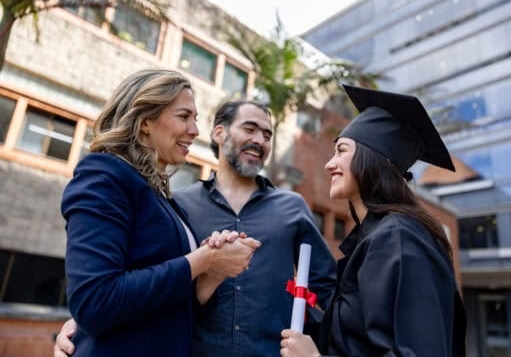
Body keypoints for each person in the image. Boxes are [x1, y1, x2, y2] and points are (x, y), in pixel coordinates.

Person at [54, 100, 336, 357]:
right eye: (250, 129)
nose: (259, 140)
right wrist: (81, 323)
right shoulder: (176, 206)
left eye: (267, 135)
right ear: (219, 133)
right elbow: (137, 280)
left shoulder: (293, 206)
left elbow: (328, 289)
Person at [58, 69, 261, 357]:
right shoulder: (103, 175)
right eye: (183, 116)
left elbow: (167, 302)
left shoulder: (162, 197)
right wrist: (203, 259)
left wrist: (211, 273)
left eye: (195, 119)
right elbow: (95, 302)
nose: (194, 130)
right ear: (144, 122)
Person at [280, 84, 467, 357]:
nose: (329, 164)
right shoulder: (375, 238)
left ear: (373, 158)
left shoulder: (400, 238)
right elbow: (358, 340)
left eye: (341, 150)